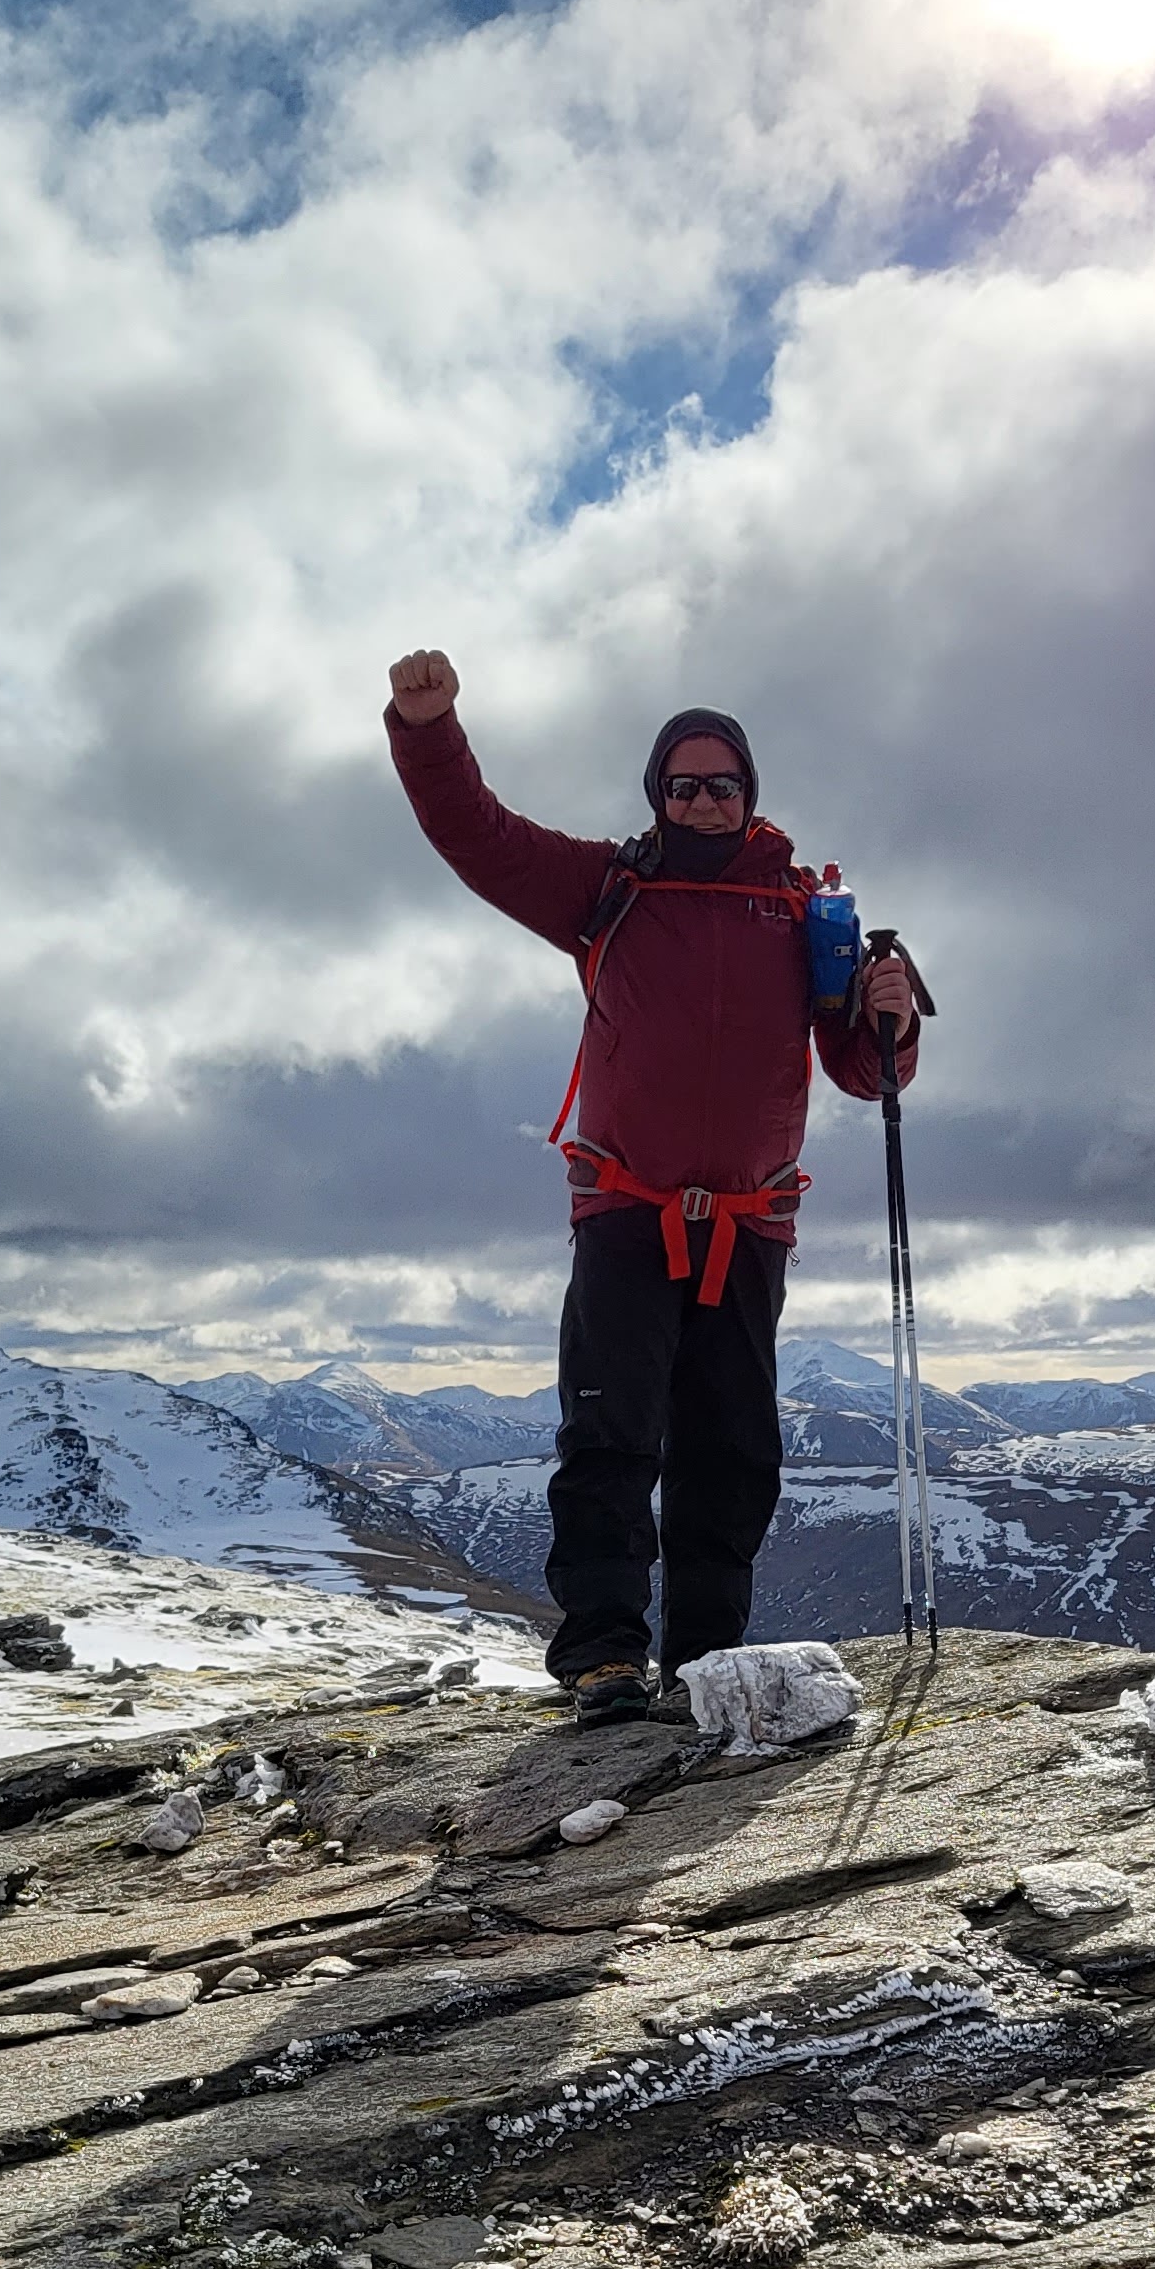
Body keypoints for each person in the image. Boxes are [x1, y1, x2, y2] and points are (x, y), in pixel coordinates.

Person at [385, 646, 921, 1725]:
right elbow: (475, 834)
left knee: (731, 1453)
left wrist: (891, 1017)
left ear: (750, 794)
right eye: (685, 782)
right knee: (611, 1436)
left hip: (752, 1220)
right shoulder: (606, 888)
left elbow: (863, 1070)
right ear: (657, 793)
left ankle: (707, 1660)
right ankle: (603, 1657)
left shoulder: (806, 913)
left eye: (724, 782)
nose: (705, 798)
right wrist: (428, 724)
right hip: (627, 1211)